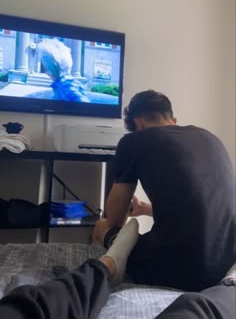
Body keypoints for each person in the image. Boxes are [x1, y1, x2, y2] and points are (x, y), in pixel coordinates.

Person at [93, 90, 235, 292]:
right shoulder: (210, 137)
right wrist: (143, 208)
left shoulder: (134, 141)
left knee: (101, 225)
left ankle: (108, 271)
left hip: (175, 270)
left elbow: (115, 219)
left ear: (138, 124)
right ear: (173, 119)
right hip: (224, 264)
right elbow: (202, 206)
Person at [0, 218, 235, 319]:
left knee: (30, 308)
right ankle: (231, 284)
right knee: (197, 310)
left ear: (137, 124)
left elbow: (114, 215)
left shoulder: (135, 142)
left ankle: (110, 262)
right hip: (209, 257)